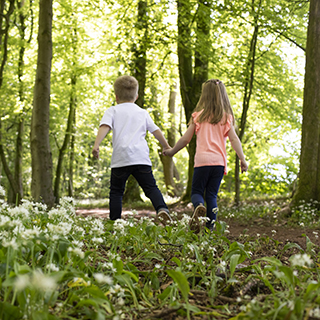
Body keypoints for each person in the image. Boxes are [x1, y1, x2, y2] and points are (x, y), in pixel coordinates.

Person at [163, 79, 248, 232]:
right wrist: (242, 159)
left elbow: (185, 139)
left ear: (204, 96)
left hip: (202, 161)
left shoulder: (198, 117)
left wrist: (172, 151)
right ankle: (210, 227)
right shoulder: (226, 118)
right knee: (212, 195)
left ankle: (198, 207)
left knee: (196, 192)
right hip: (218, 162)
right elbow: (234, 140)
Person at [92, 75, 172, 225]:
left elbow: (105, 127)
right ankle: (162, 209)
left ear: (116, 96)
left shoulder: (113, 111)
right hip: (140, 158)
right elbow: (156, 131)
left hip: (121, 159)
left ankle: (115, 223)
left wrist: (97, 145)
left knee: (116, 192)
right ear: (136, 96)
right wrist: (166, 146)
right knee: (151, 188)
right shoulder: (142, 113)